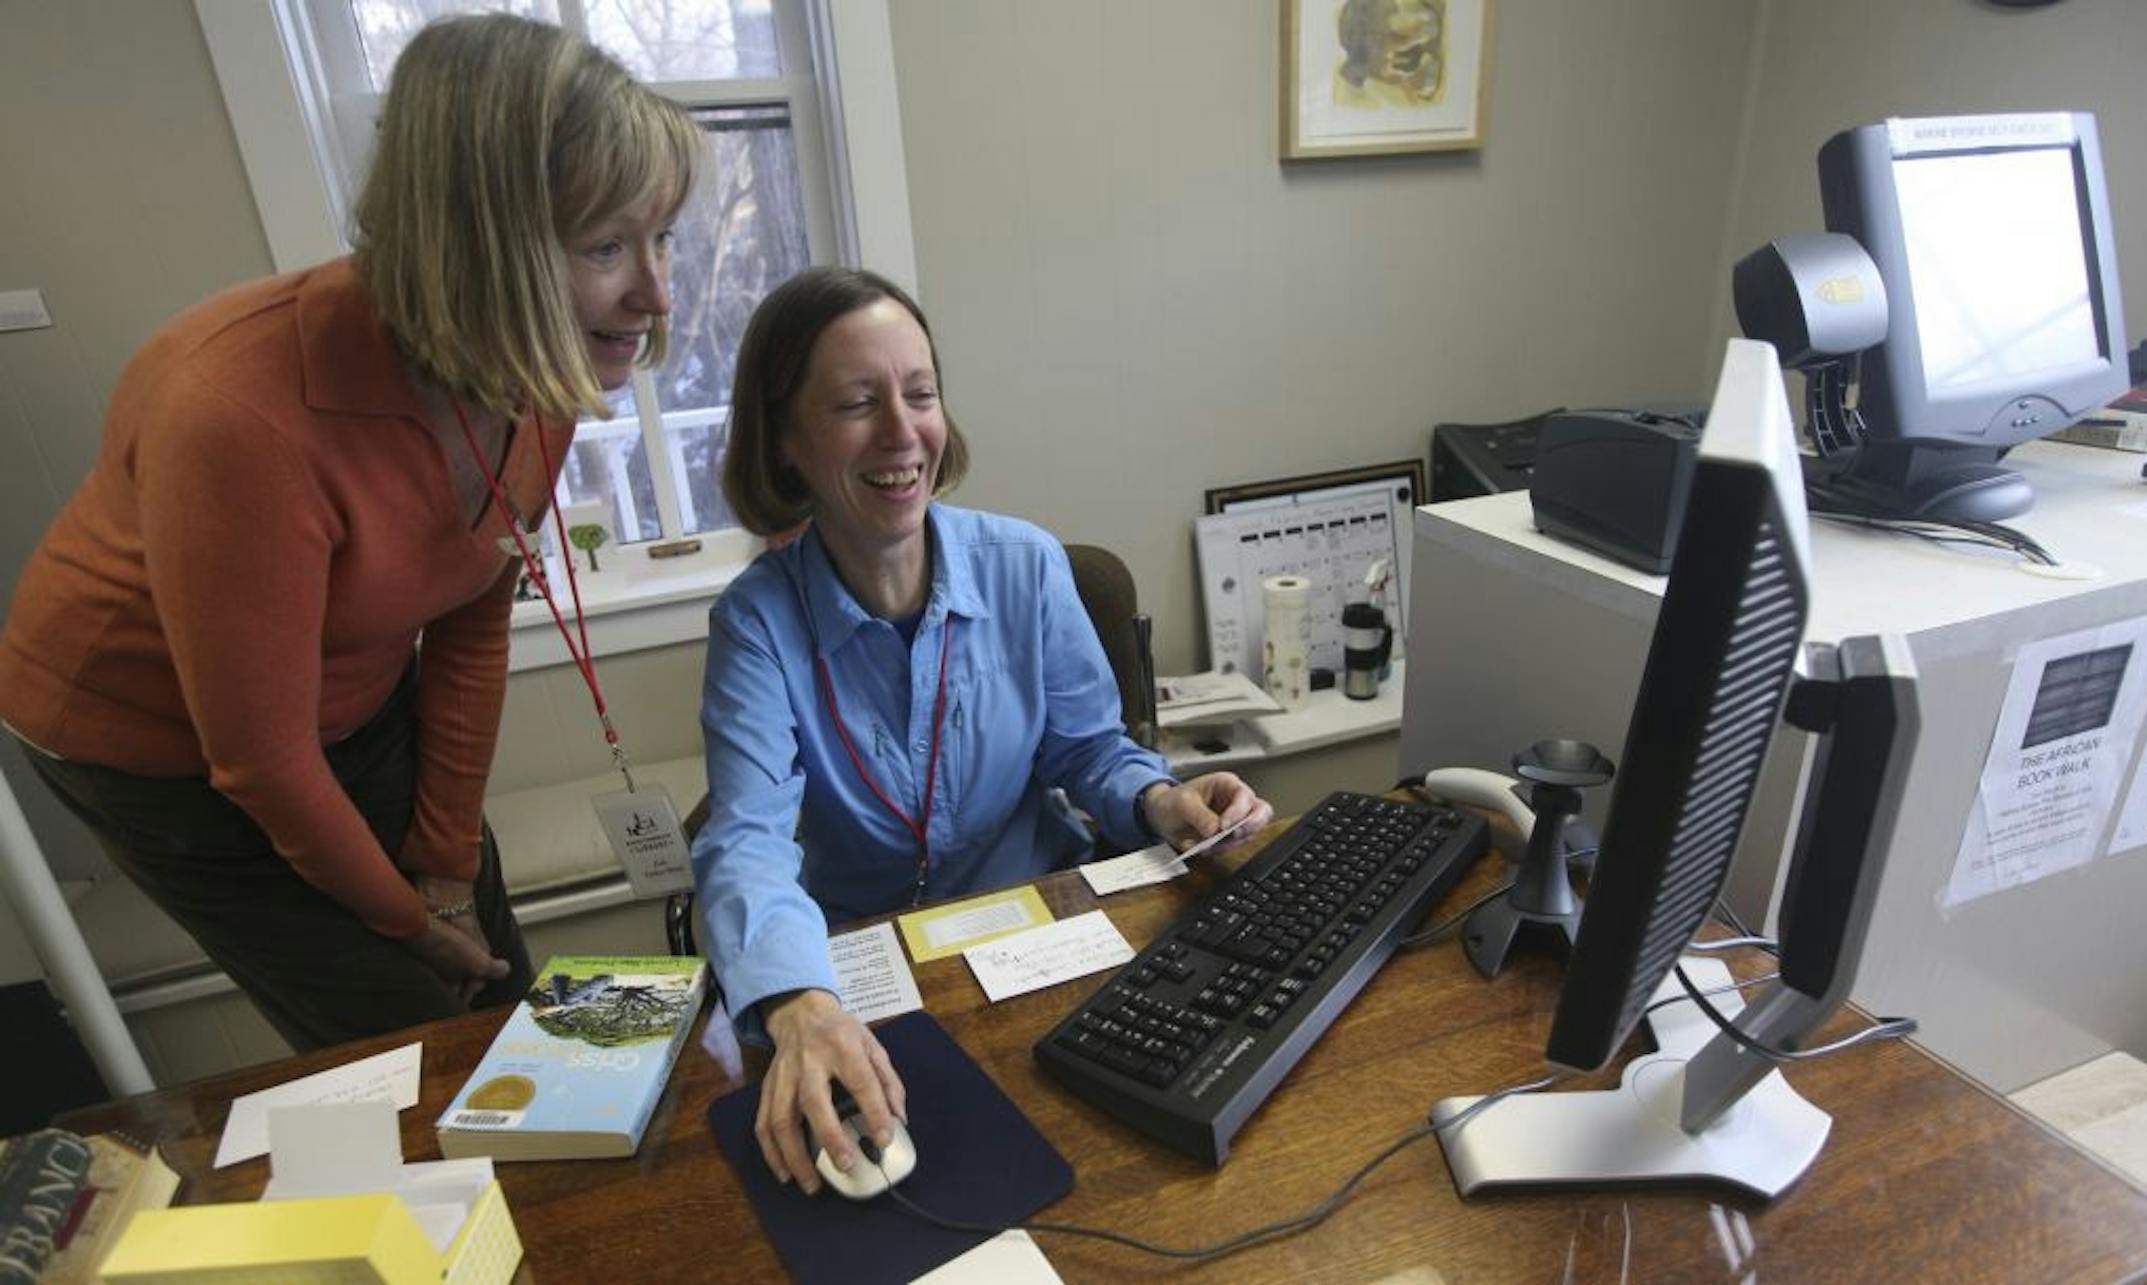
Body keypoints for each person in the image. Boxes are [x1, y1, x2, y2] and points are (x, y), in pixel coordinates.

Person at [0, 14, 699, 1051]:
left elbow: (472, 622)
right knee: (401, 1025)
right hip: (156, 746)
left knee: (497, 974)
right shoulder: (233, 413)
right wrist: (410, 919)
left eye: (662, 236)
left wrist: (450, 866)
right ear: (474, 241)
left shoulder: (535, 363)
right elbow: (262, 760)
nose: (658, 293)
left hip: (350, 699)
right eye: (606, 245)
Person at [697, 266, 1276, 1194]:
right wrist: (799, 1004)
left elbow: (1089, 749)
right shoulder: (757, 625)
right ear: (789, 443)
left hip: (1045, 947)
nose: (903, 432)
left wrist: (1161, 798)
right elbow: (747, 840)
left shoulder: (1028, 565)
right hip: (863, 984)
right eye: (856, 403)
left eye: (920, 394)